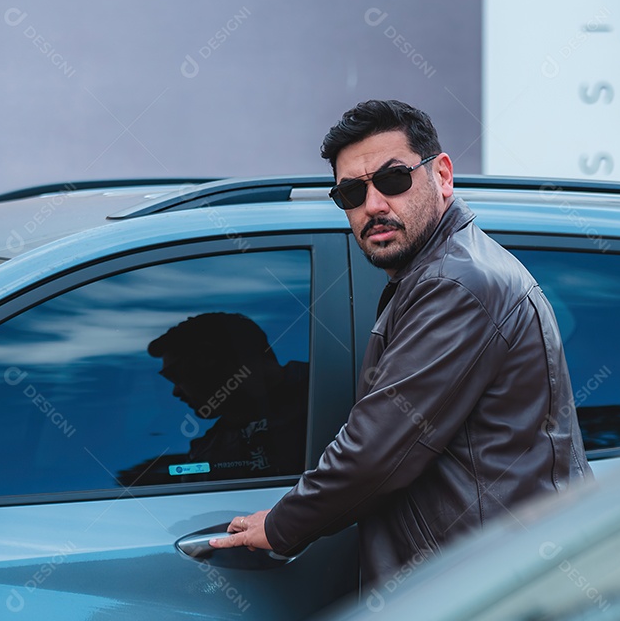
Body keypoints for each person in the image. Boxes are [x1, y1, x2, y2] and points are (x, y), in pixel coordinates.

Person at [210, 100, 592, 584]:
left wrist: (284, 525)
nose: (373, 205)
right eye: (351, 192)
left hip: (483, 599)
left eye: (393, 179)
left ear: (443, 176)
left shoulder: (456, 285)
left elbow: (375, 453)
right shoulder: (446, 271)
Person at [124, 312, 306, 484]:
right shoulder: (209, 451)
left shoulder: (325, 395)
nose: (175, 391)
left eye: (176, 376)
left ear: (208, 358)